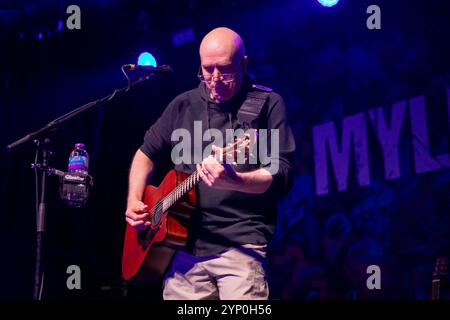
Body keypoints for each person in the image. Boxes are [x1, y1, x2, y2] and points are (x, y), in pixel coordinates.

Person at [125, 27, 295, 300]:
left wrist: (236, 181)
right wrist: (134, 199)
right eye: (207, 69)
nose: (215, 79)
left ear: (244, 63)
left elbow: (282, 174)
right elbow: (146, 153)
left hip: (241, 243)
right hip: (184, 250)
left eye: (225, 70)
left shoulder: (267, 104)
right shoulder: (182, 105)